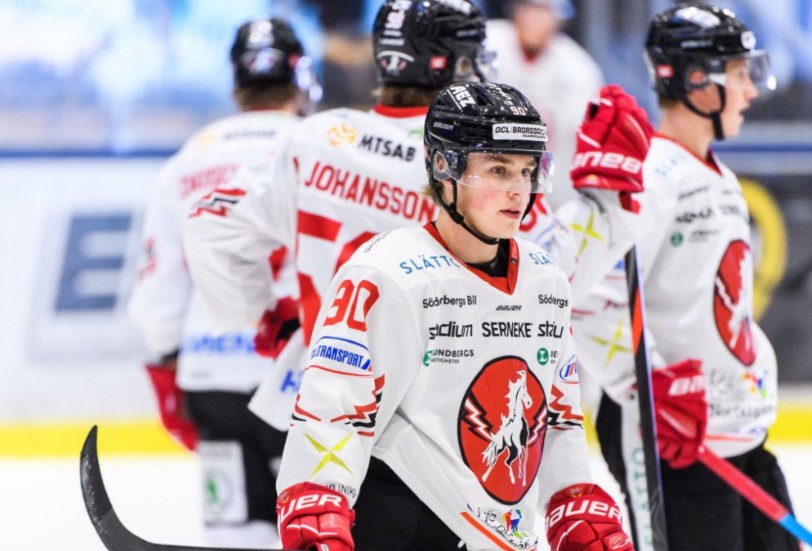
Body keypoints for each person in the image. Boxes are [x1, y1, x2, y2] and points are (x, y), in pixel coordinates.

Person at [182, 0, 609, 432]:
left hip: (326, 407)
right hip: (438, 421)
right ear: (454, 64)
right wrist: (611, 203)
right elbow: (556, 274)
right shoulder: (467, 161)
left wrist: (262, 312)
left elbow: (207, 221)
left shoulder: (318, 139)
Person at [274, 79, 634, 551]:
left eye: (527, 171)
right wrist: (317, 506)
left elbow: (555, 417)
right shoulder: (384, 272)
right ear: (444, 168)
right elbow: (334, 412)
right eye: (499, 169)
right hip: (405, 525)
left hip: (505, 534)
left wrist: (572, 500)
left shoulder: (546, 279)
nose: (518, 191)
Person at [572, 5, 800, 551]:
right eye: (740, 74)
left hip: (734, 435)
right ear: (699, 82)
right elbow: (584, 299)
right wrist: (647, 389)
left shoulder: (714, 171)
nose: (751, 90)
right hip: (675, 444)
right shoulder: (651, 176)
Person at [127, 18, 318, 547]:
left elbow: (157, 288)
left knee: (234, 537)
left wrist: (169, 369)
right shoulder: (324, 148)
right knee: (311, 531)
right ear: (300, 74)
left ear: (236, 80)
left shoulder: (189, 158)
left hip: (212, 381)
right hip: (301, 378)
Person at [485, 0, 604, 208]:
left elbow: (580, 139)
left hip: (546, 187)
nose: (534, 19)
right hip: (483, 178)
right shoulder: (486, 42)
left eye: (543, 11)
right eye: (529, 8)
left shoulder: (580, 69)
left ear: (559, 18)